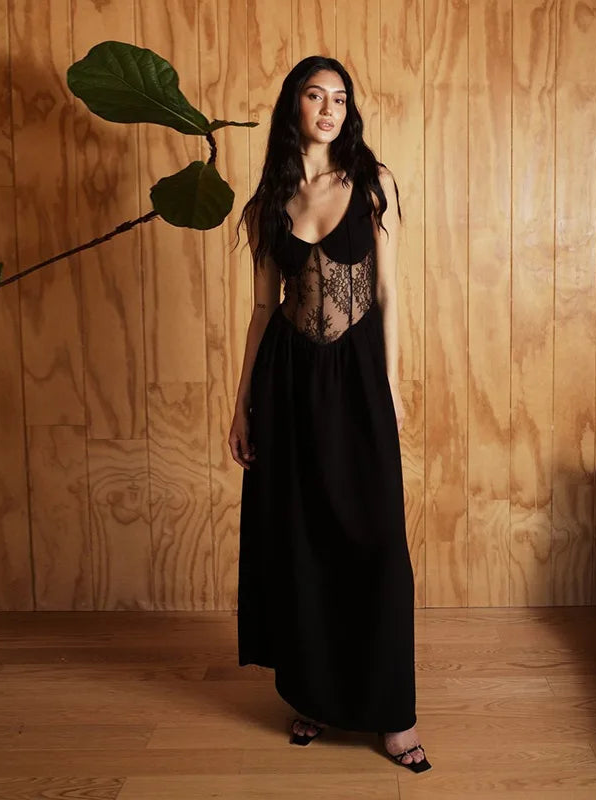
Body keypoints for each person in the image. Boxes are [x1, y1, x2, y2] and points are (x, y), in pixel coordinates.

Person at [228, 55, 431, 773]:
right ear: (293, 107)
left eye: (339, 98)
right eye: (314, 96)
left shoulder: (373, 185)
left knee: (374, 540)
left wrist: (393, 385)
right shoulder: (267, 202)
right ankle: (313, 694)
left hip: (357, 379)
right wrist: (241, 403)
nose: (327, 108)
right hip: (287, 384)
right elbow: (262, 308)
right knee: (303, 539)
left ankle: (393, 718)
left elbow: (391, 294)